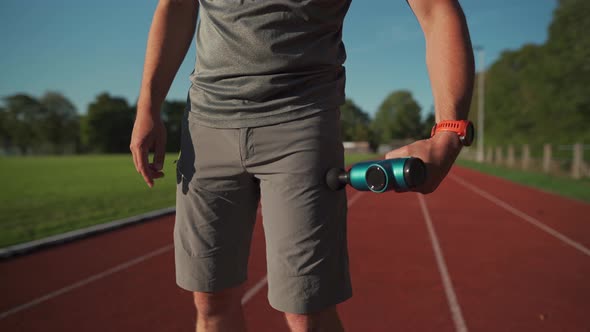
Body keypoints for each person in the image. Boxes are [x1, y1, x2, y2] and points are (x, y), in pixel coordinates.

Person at [130, 0, 474, 331]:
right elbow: (175, 4)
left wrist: (449, 130)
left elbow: (436, 8)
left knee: (307, 314)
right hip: (205, 126)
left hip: (301, 122)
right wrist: (148, 104)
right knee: (209, 301)